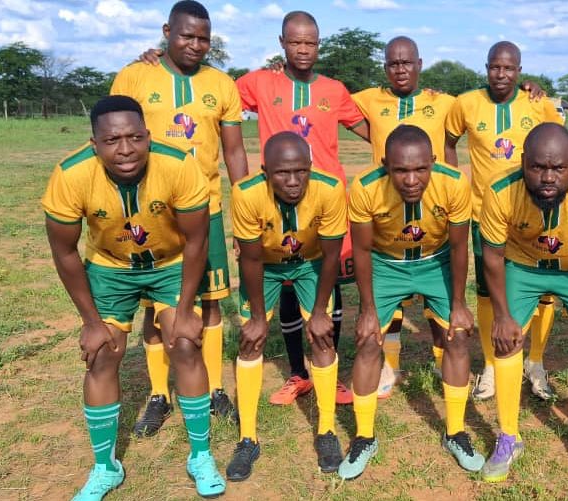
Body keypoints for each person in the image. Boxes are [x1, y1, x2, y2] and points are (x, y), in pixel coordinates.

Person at [44, 96, 225, 500]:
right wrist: (91, 323)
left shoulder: (178, 164)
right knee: (103, 353)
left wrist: (183, 311)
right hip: (110, 266)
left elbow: (197, 240)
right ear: (94, 144)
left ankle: (200, 455)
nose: (125, 149)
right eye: (112, 141)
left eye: (134, 137)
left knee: (184, 343)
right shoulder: (71, 175)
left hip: (172, 261)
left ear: (148, 136)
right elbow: (65, 252)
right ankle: (106, 467)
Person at [111, 0, 247, 435]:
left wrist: (244, 206)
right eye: (187, 35)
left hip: (204, 209)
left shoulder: (222, 84)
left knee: (209, 300)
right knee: (155, 305)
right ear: (167, 31)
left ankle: (212, 389)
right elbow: (115, 143)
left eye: (203, 37)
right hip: (153, 213)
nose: (195, 44)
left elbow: (234, 151)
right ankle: (158, 393)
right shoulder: (135, 76)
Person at [235, 10, 370, 407]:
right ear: (281, 43)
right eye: (295, 42)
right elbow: (215, 97)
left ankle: (334, 372)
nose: (303, 49)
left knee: (330, 287)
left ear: (319, 44)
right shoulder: (260, 82)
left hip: (326, 206)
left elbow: (369, 128)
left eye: (310, 42)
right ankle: (298, 374)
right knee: (290, 287)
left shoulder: (334, 89)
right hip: (277, 204)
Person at [478, 123, 568, 485]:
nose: (547, 177)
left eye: (558, 168)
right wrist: (502, 315)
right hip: (522, 266)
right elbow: (492, 257)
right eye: (538, 167)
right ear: (523, 161)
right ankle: (509, 437)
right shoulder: (499, 191)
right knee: (507, 340)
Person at [341, 125, 482, 479]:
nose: (411, 179)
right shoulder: (364, 187)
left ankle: (456, 432)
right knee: (368, 341)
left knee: (458, 335)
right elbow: (360, 249)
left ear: (433, 162)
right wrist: (368, 310)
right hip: (386, 264)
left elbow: (460, 246)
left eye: (420, 169)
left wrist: (460, 302)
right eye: (401, 170)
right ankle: (364, 437)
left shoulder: (453, 182)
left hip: (436, 261)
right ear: (386, 164)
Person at [445, 41, 564, 401]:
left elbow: (560, 142)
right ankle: (494, 366)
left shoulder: (536, 103)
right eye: (495, 67)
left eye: (509, 68)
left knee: (541, 289)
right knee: (486, 291)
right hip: (484, 214)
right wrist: (457, 182)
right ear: (486, 68)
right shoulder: (465, 103)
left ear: (520, 71)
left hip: (532, 213)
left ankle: (536, 362)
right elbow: (449, 141)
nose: (501, 74)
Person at [230, 131, 348, 478]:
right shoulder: (246, 193)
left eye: (301, 171)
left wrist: (321, 311)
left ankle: (327, 430)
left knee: (322, 337)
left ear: (311, 167)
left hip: (311, 263)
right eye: (283, 173)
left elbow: (330, 256)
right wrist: (256, 317)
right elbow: (249, 260)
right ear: (266, 171)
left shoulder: (329, 188)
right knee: (251, 341)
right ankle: (248, 438)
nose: (294, 181)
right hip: (264, 265)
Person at [352, 36, 457, 398]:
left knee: (438, 297)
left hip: (432, 203)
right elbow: (326, 104)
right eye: (393, 64)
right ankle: (389, 366)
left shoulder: (442, 101)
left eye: (407, 63)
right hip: (387, 204)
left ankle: (444, 360)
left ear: (420, 64)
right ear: (385, 68)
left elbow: (466, 127)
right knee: (390, 298)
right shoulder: (367, 99)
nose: (400, 69)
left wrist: (530, 90)